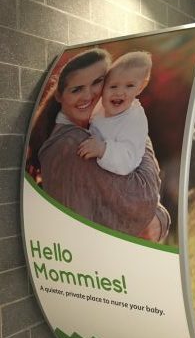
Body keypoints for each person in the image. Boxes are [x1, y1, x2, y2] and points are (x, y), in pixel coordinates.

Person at [26, 48, 170, 242]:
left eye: (97, 83)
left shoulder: (100, 123)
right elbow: (141, 199)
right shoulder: (72, 144)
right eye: (77, 89)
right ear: (60, 96)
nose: (88, 96)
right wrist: (160, 217)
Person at [77, 51, 151, 176]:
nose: (120, 92)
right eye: (113, 86)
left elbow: (128, 160)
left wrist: (103, 150)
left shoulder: (135, 120)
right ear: (103, 87)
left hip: (119, 180)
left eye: (129, 86)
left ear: (140, 87)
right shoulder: (100, 105)